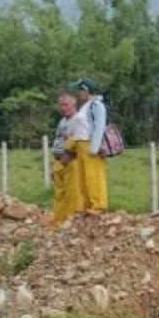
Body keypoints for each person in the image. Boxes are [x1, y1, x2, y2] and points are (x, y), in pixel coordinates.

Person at [70, 78, 109, 212]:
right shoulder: (85, 106)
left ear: (86, 90)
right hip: (81, 145)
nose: (78, 94)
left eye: (80, 90)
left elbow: (99, 126)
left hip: (90, 145)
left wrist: (95, 147)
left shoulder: (96, 105)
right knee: (83, 178)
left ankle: (98, 205)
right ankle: (86, 205)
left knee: (94, 176)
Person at [51, 92, 85, 225]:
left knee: (72, 194)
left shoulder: (78, 120)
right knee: (59, 195)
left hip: (71, 162)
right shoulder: (62, 121)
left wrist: (71, 155)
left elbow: (80, 142)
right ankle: (58, 222)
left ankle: (71, 222)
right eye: (61, 105)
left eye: (66, 105)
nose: (63, 108)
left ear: (73, 105)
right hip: (59, 161)